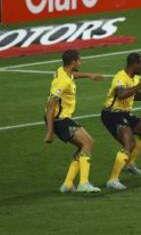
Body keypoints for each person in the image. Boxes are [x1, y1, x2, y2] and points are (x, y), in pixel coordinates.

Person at [44, 50, 103, 193]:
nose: (80, 63)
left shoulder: (63, 71)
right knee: (88, 142)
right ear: (73, 62)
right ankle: (83, 183)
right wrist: (50, 132)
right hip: (59, 120)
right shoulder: (62, 81)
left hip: (61, 118)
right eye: (79, 61)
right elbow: (51, 105)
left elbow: (72, 76)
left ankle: (68, 184)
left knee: (83, 146)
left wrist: (89, 75)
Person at [101, 53, 141, 190]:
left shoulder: (135, 77)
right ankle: (113, 180)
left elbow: (133, 94)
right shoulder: (120, 77)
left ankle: (129, 164)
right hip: (111, 114)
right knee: (129, 143)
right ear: (134, 64)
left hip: (124, 113)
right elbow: (121, 94)